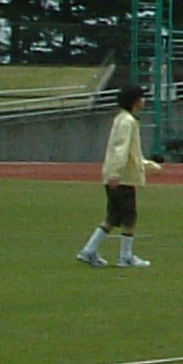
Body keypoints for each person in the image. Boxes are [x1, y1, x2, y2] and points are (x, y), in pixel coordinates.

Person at [77, 85, 162, 268]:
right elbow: (121, 149)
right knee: (129, 218)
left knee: (113, 217)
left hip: (117, 175)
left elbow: (130, 152)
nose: (144, 100)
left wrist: (147, 166)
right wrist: (116, 173)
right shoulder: (128, 122)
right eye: (142, 97)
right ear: (135, 101)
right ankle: (125, 256)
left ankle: (89, 250)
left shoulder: (123, 120)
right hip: (123, 177)